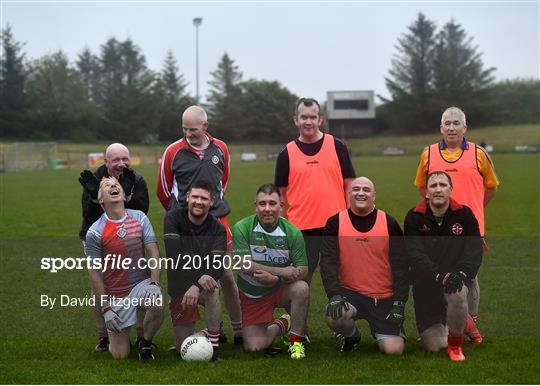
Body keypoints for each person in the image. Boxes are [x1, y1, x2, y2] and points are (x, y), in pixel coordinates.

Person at [157, 105, 242, 344]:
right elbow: (164, 190)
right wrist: (181, 217)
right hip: (186, 226)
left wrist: (210, 212)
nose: (188, 134)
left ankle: (239, 330)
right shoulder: (173, 151)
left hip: (216, 224)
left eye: (193, 129)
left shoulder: (221, 148)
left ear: (205, 127)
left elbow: (222, 184)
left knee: (225, 275)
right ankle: (213, 328)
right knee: (188, 271)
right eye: (184, 129)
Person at [414, 106, 499, 343]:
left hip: (470, 228)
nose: (451, 128)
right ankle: (451, 321)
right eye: (447, 124)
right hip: (437, 225)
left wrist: (474, 213)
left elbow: (491, 187)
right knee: (437, 271)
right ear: (441, 128)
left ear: (465, 127)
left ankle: (471, 319)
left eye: (456, 123)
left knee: (470, 276)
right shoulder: (428, 154)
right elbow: (423, 186)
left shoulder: (479, 153)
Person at [320, 177, 408, 355]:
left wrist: (399, 301)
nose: (361, 193)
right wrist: (334, 294)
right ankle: (352, 335)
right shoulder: (334, 223)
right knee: (334, 315)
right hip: (350, 294)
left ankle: (384, 330)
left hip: (384, 297)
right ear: (349, 194)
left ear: (374, 196)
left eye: (366, 190)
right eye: (356, 189)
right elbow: (328, 262)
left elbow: (401, 265)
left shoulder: (389, 223)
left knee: (393, 350)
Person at [275, 97, 356, 282]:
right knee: (300, 280)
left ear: (320, 120)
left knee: (342, 276)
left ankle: (343, 309)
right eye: (304, 117)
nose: (308, 121)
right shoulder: (286, 153)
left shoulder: (337, 146)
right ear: (296, 120)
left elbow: (349, 183)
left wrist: (351, 218)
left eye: (313, 117)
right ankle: (295, 312)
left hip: (336, 224)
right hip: (300, 227)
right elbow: (280, 193)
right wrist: (284, 224)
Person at [78, 142, 150, 352]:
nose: (121, 164)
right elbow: (89, 216)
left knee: (138, 281)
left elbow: (142, 212)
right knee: (99, 286)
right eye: (116, 160)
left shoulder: (136, 179)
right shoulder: (93, 178)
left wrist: (127, 195)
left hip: (130, 236)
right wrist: (94, 198)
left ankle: (139, 334)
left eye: (125, 159)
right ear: (106, 161)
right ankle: (104, 336)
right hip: (97, 237)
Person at [404, 171, 483, 361]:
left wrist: (461, 274)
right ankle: (463, 323)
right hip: (426, 284)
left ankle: (455, 347)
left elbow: (473, 250)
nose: (438, 189)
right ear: (427, 192)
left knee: (457, 293)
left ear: (450, 189)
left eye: (442, 185)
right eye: (433, 186)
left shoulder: (465, 214)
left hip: (454, 279)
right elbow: (414, 254)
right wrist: (439, 275)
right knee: (434, 346)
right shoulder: (414, 217)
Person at [85, 177, 163, 361]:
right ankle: (108, 335)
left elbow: (153, 251)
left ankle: (144, 343)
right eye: (106, 186)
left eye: (116, 184)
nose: (113, 186)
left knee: (157, 301)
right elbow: (94, 271)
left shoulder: (140, 217)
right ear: (101, 200)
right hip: (115, 294)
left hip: (140, 284)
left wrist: (154, 284)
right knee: (120, 355)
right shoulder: (95, 231)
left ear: (124, 196)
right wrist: (106, 308)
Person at [233, 184, 310, 359]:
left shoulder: (293, 232)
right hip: (253, 294)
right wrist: (281, 272)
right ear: (256, 206)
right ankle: (283, 323)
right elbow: (243, 264)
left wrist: (275, 279)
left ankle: (296, 342)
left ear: (281, 206)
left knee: (301, 288)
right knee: (254, 347)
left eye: (272, 203)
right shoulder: (242, 227)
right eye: (262, 204)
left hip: (279, 288)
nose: (267, 209)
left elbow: (303, 270)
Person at [164, 180, 227, 361]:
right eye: (196, 197)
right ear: (187, 197)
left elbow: (217, 265)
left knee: (212, 289)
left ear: (212, 201)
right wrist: (195, 282)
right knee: (182, 348)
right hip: (179, 287)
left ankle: (214, 347)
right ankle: (208, 331)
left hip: (201, 285)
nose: (199, 202)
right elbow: (174, 258)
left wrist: (197, 285)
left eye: (204, 198)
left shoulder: (217, 228)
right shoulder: (173, 218)